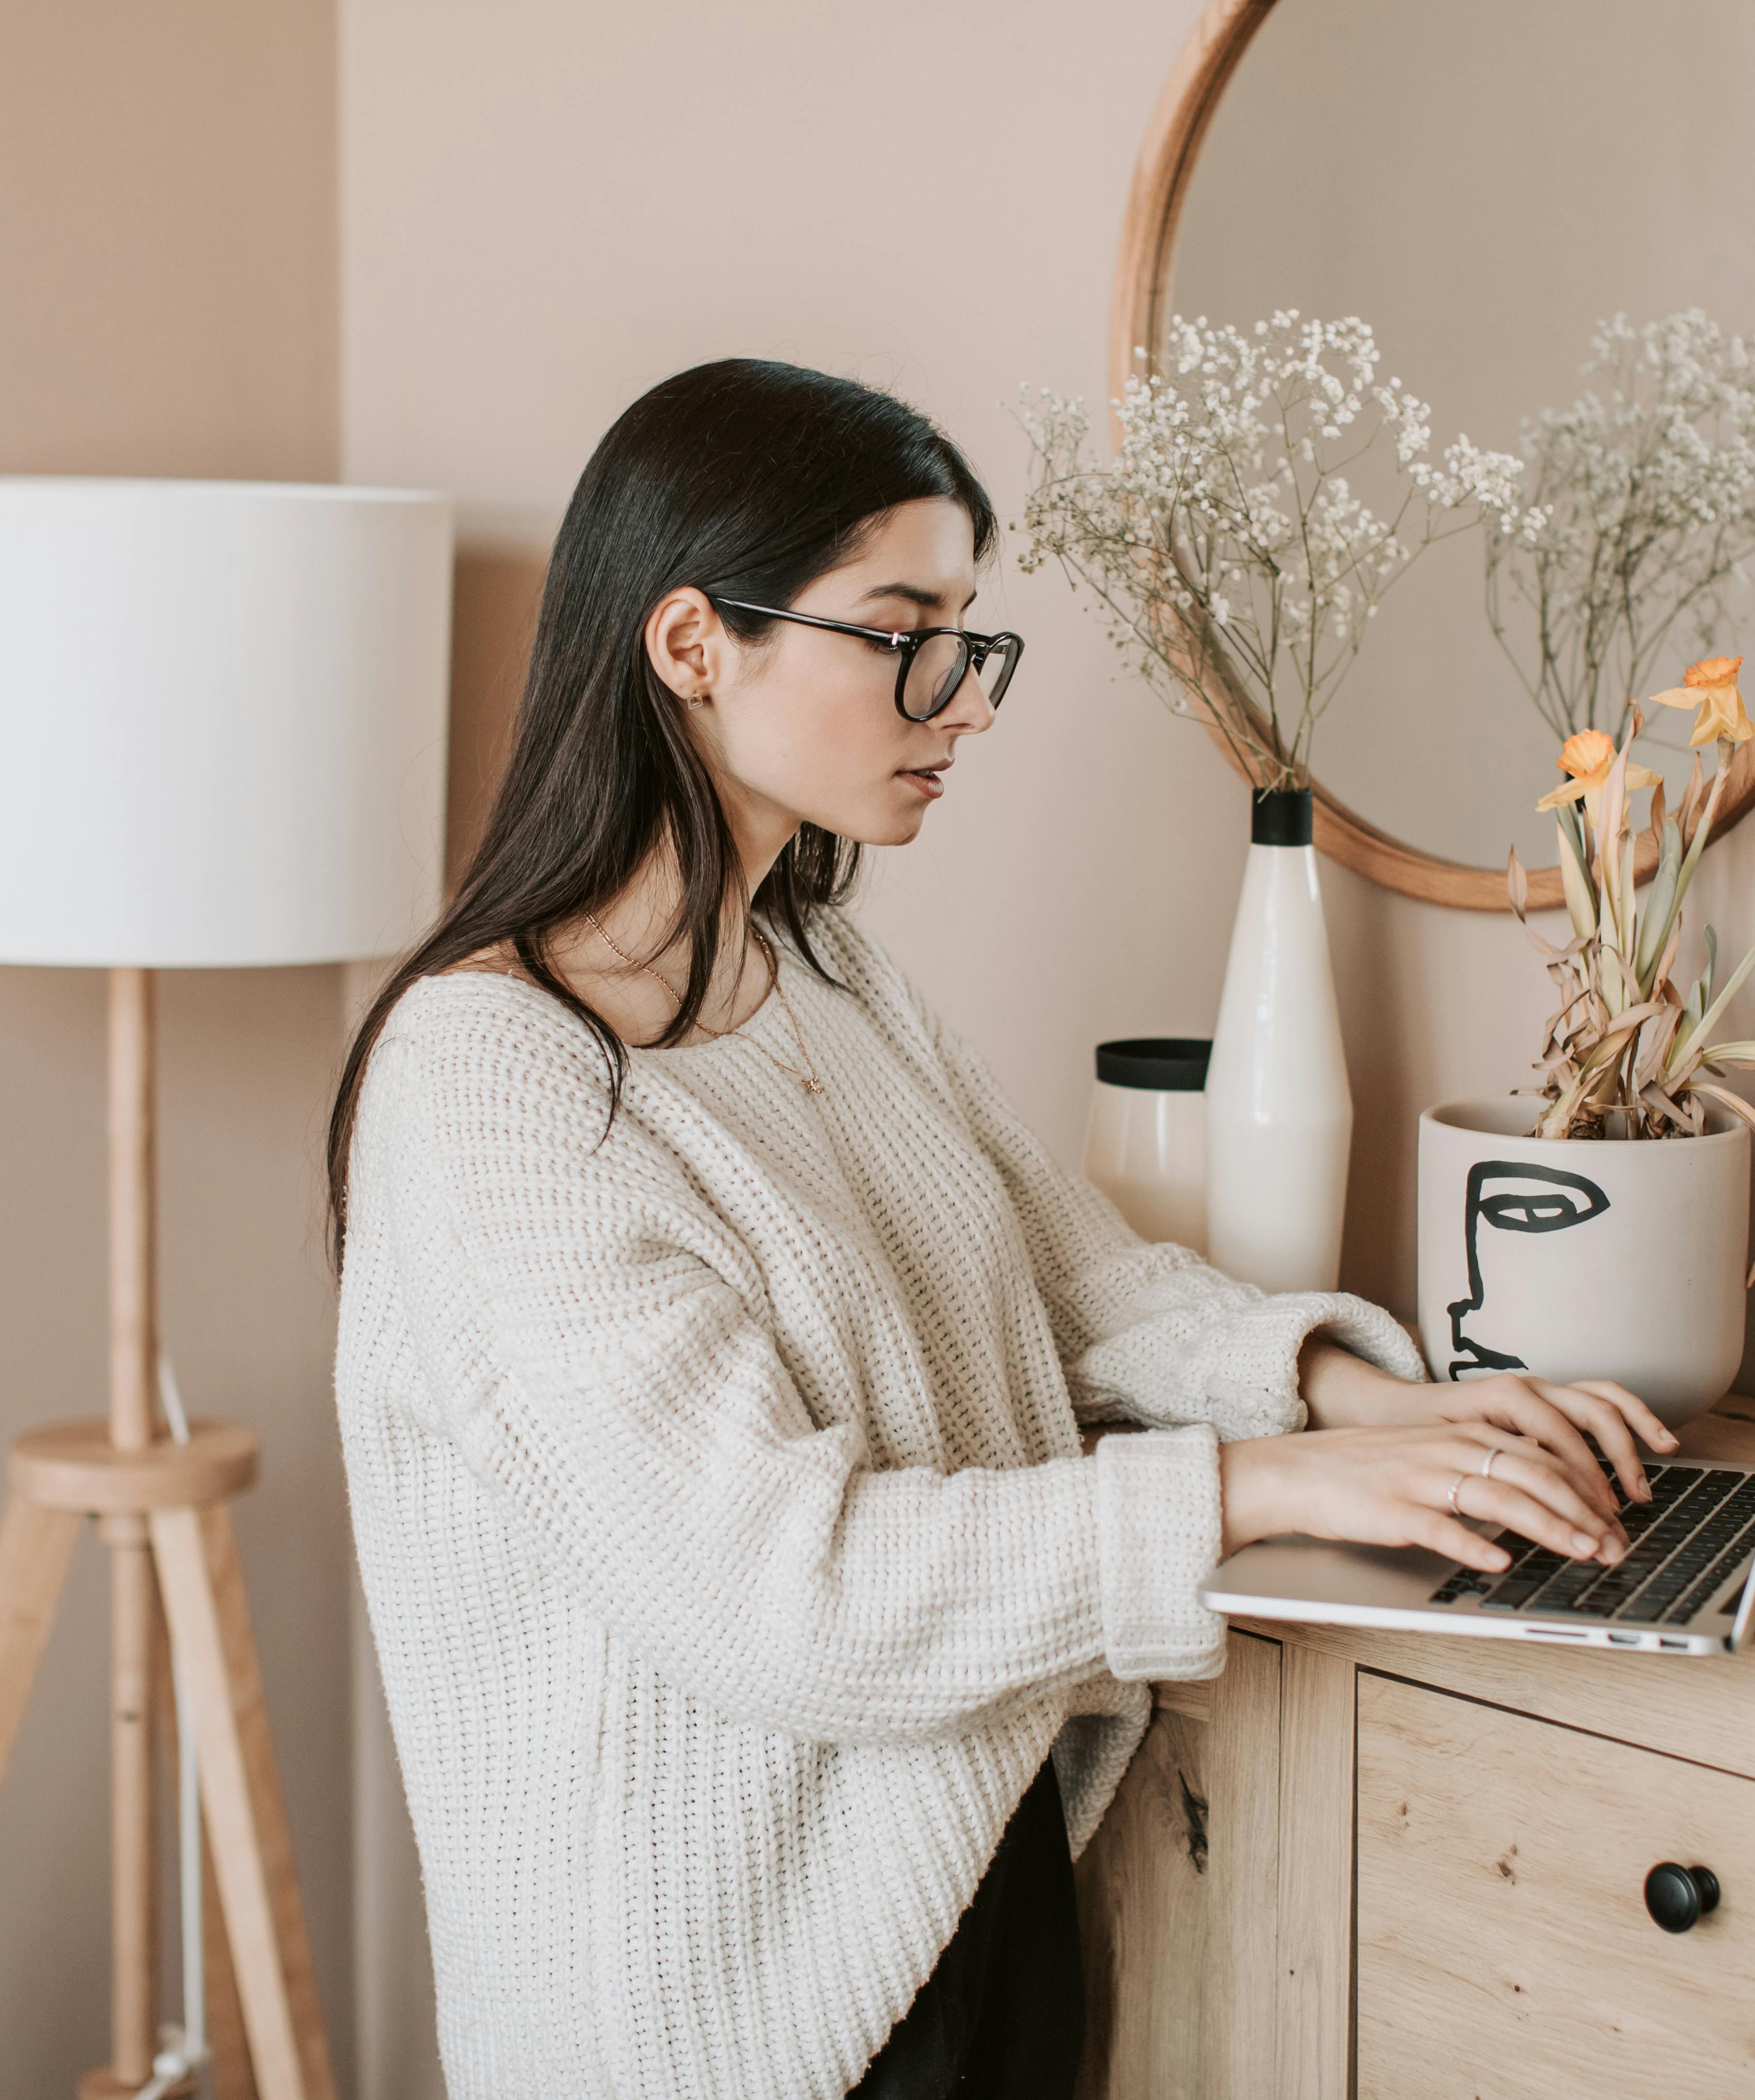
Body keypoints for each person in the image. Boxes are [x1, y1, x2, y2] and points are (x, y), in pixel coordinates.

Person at [325, 358, 1671, 2100]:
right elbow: (780, 1595)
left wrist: (1367, 1402)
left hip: (964, 1879)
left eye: (974, 638)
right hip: (729, 2024)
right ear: (690, 646)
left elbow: (1070, 1280)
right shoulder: (490, 1087)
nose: (962, 700)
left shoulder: (813, 964)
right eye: (906, 634)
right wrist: (1261, 1491)